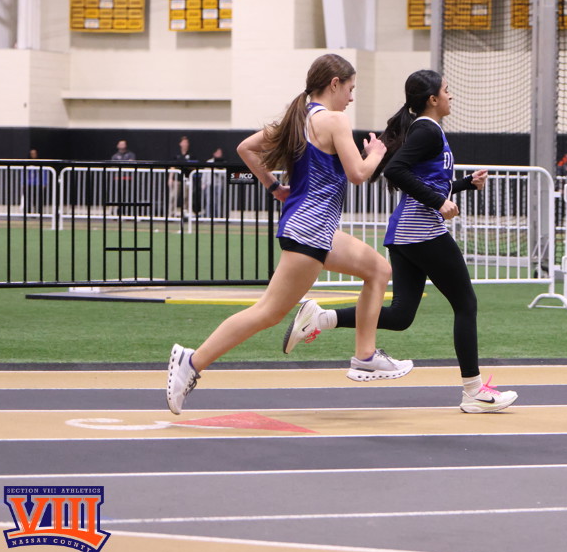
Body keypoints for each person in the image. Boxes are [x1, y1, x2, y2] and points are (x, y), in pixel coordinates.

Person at [167, 53, 409, 414]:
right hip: (310, 233)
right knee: (268, 312)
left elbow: (245, 148)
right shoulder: (334, 120)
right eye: (350, 88)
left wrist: (274, 187)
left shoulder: (299, 119)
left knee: (378, 270)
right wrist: (376, 152)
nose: (351, 97)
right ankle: (192, 361)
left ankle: (365, 355)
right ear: (334, 84)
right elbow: (359, 174)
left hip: (314, 230)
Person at [282, 69, 517, 414]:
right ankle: (474, 391)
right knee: (466, 304)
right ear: (433, 99)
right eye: (447, 91)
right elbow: (396, 171)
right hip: (422, 232)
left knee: (401, 315)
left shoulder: (427, 130)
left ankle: (321, 318)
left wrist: (465, 184)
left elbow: (428, 180)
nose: (452, 96)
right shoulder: (427, 130)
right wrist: (438, 203)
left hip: (406, 234)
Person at [202, 147, 227, 218]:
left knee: (218, 201)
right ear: (214, 153)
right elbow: (204, 173)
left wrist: (218, 170)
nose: (219, 154)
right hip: (209, 184)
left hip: (219, 184)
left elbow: (225, 174)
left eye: (220, 153)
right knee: (209, 201)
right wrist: (203, 183)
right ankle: (208, 216)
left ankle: (217, 217)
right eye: (218, 152)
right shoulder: (209, 162)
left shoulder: (223, 163)